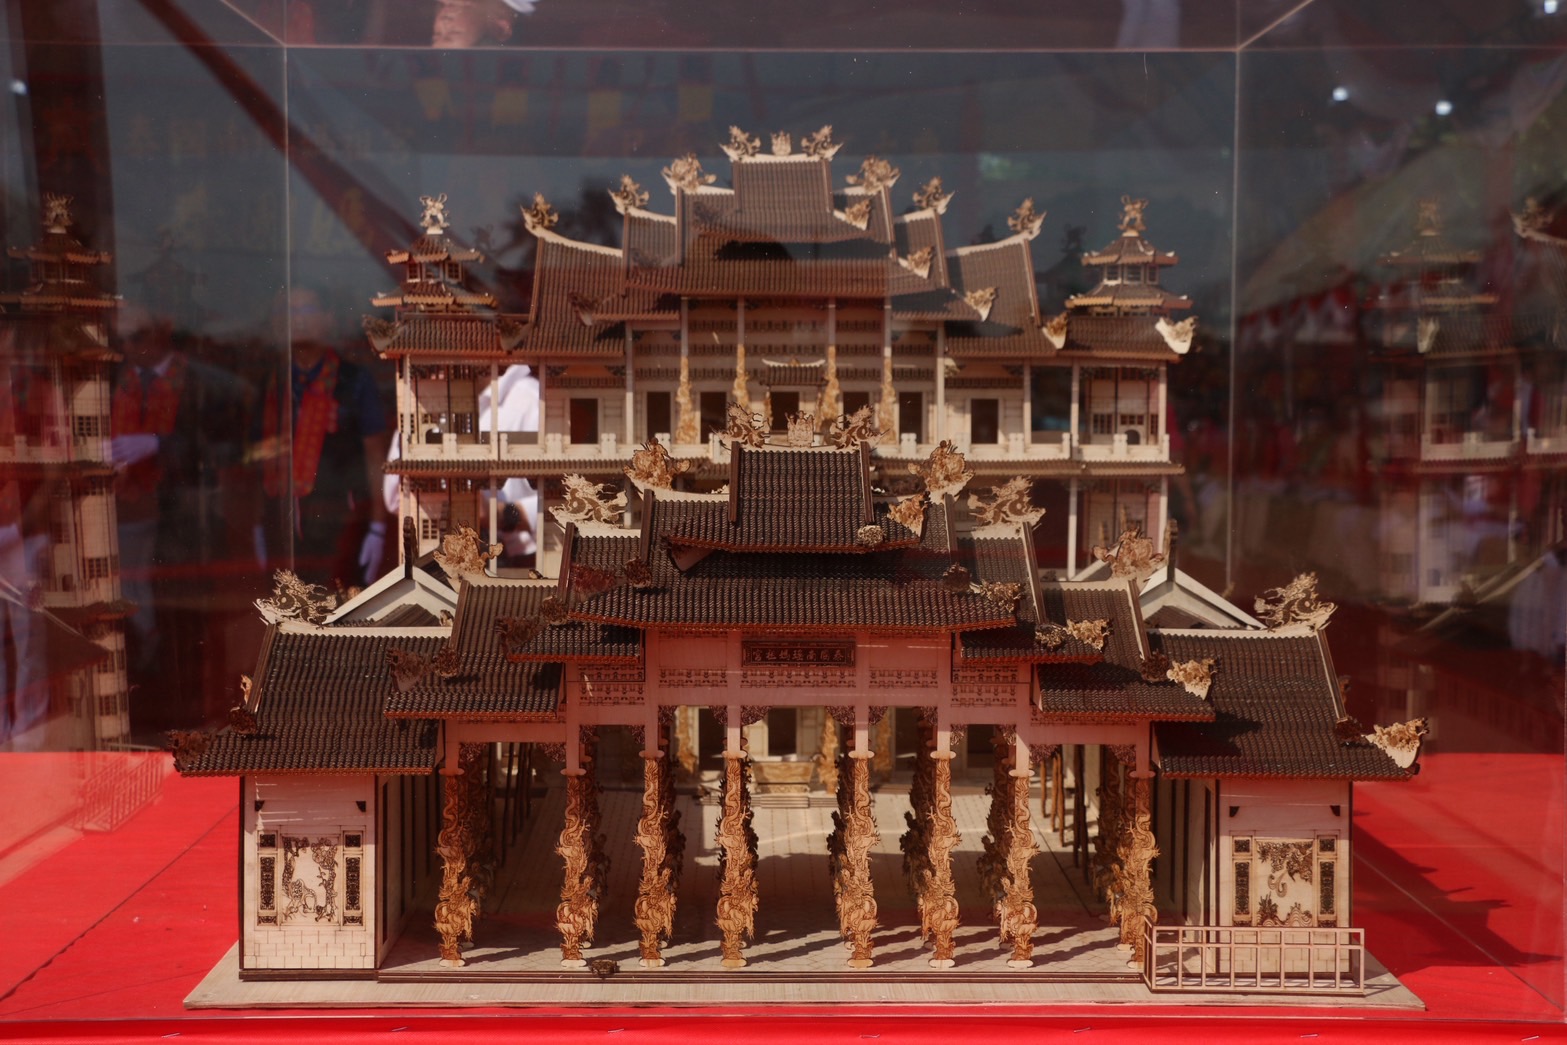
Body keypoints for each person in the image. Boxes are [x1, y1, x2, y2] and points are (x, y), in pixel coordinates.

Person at [259, 288, 392, 591]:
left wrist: (377, 525)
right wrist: (256, 524)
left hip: (339, 518)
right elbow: (258, 453)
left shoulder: (354, 380)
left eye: (307, 311)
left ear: (327, 318)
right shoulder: (274, 381)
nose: (298, 320)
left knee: (339, 602)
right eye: (290, 311)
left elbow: (375, 454)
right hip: (282, 518)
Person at [383, 363, 539, 566]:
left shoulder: (531, 402)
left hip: (516, 564)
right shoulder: (424, 397)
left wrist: (499, 514)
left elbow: (566, 503)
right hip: (440, 557)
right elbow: (394, 499)